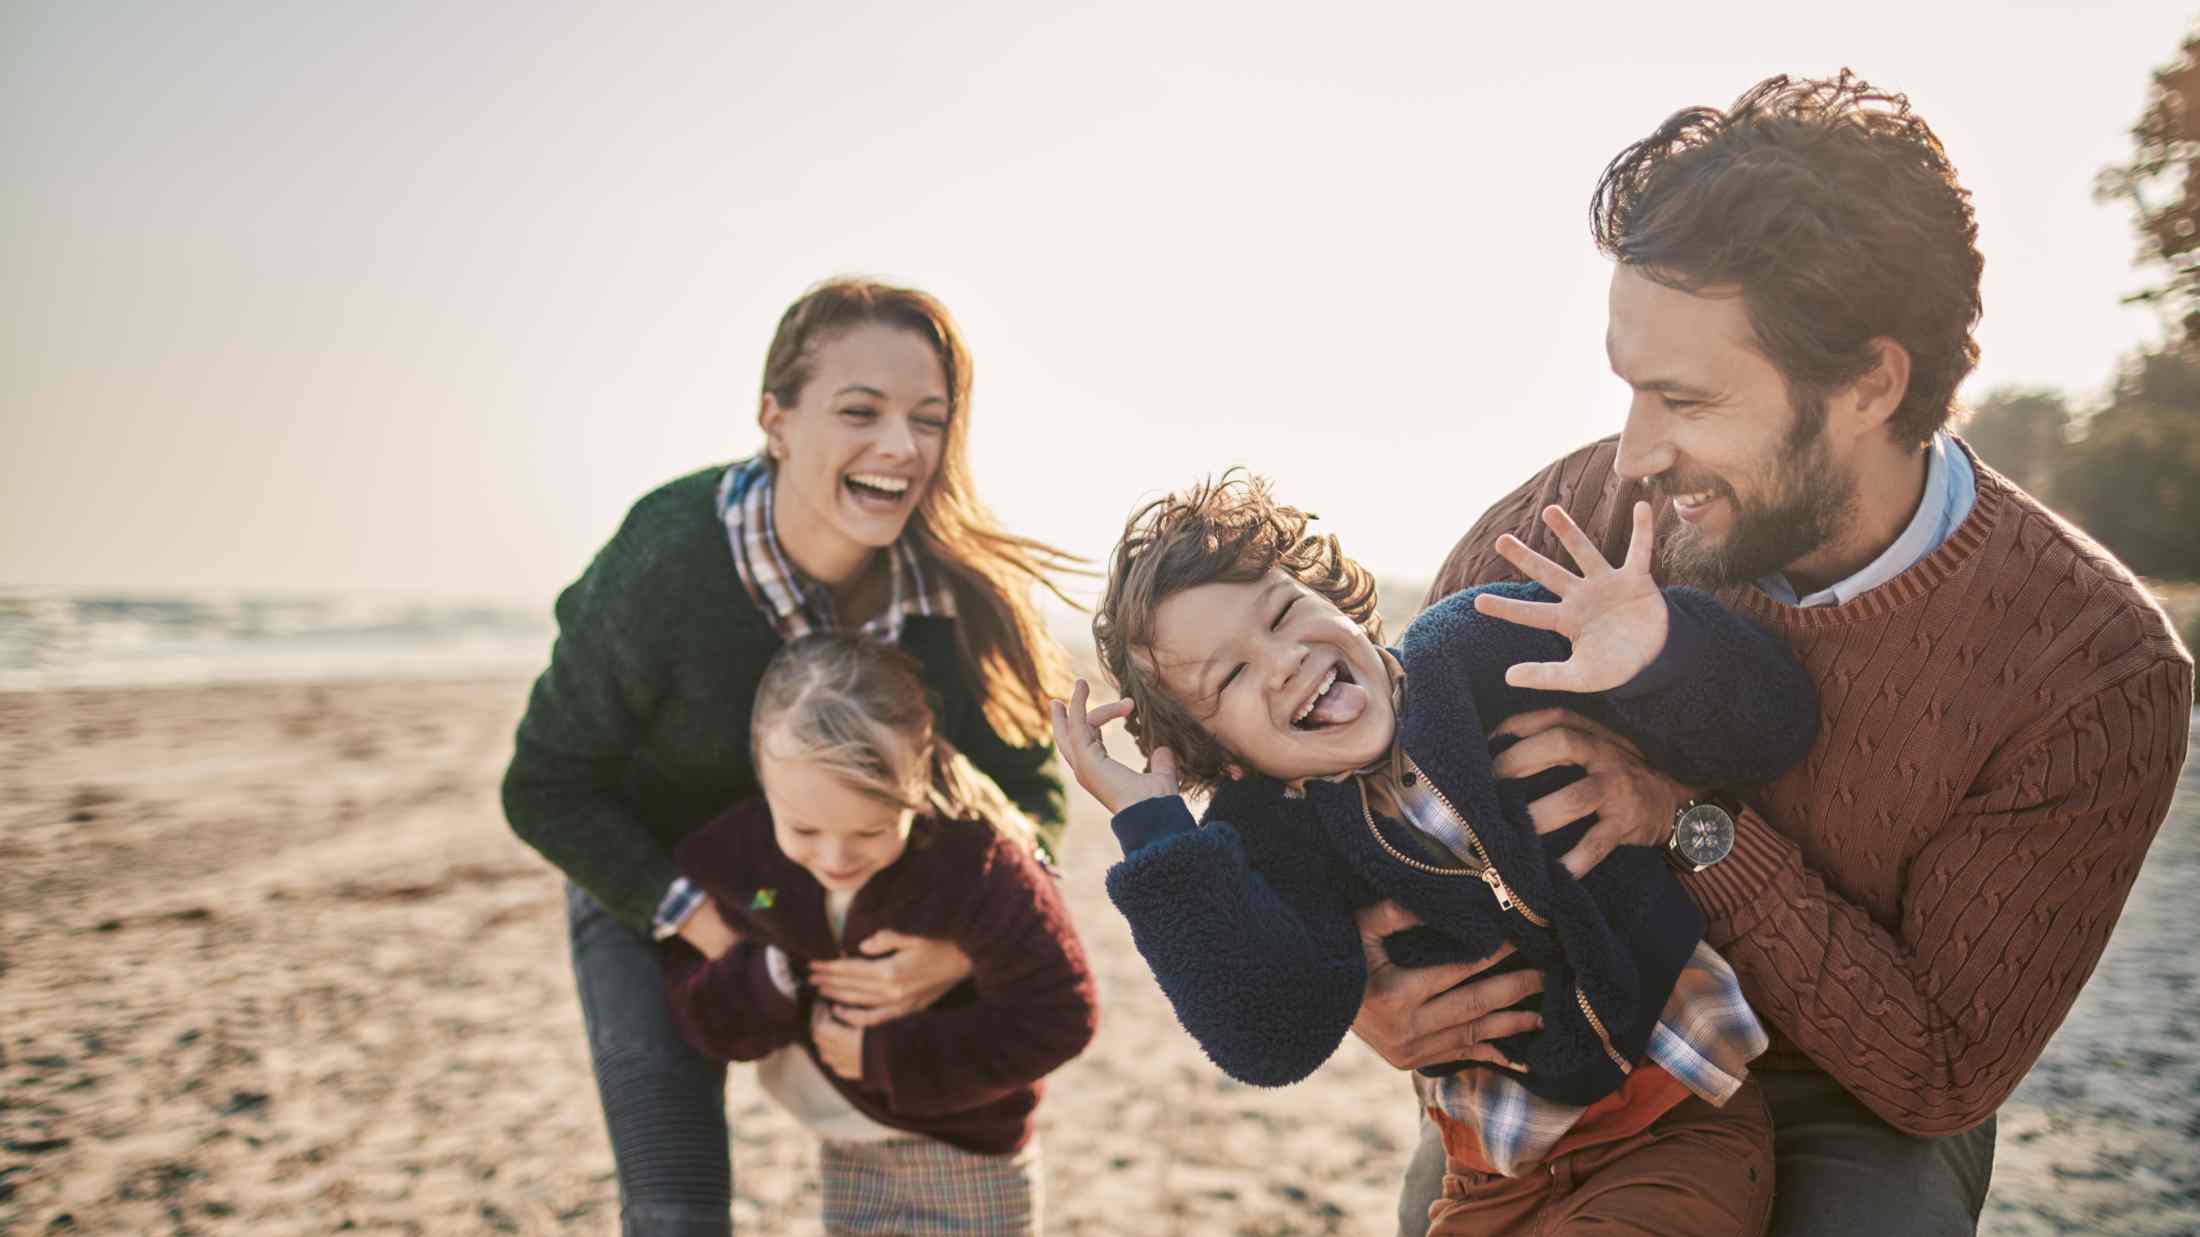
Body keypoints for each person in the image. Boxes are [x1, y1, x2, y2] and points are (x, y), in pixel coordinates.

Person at [1364, 73, 2195, 1236]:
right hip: (1581, 1054)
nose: (1635, 452)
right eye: (1628, 388)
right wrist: (1368, 986)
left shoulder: (2092, 670)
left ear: (1869, 384)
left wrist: (1688, 822)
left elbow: (1938, 1069)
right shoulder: (1572, 521)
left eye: (1685, 398)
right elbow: (1350, 774)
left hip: (1851, 1093)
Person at [1051, 471, 1820, 1234]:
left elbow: (1775, 722)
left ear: (1336, 600)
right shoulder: (1274, 834)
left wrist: (1658, 650)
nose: (1282, 659)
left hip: (1670, 1113)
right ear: (1224, 758)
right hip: (1489, 1172)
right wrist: (1155, 830)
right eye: (1232, 674)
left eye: (1283, 612)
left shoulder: (1476, 647)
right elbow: (1270, 1032)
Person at [502, 277, 1078, 1235]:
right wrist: (718, 933)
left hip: (851, 892)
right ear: (776, 419)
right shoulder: (668, 555)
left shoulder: (954, 590)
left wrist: (958, 947)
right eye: (861, 411)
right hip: (655, 881)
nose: (902, 446)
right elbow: (544, 785)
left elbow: (1027, 790)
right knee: (676, 1207)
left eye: (928, 419)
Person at [663, 632, 1098, 1235]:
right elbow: (700, 1010)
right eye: (804, 831)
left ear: (917, 781)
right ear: (762, 779)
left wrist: (888, 1057)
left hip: (972, 1156)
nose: (835, 857)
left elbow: (1062, 1013)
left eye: (870, 832)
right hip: (842, 1150)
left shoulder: (976, 864)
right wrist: (767, 977)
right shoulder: (743, 860)